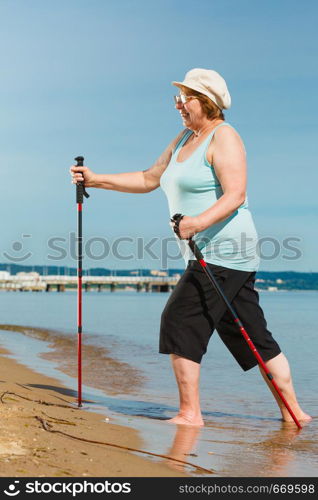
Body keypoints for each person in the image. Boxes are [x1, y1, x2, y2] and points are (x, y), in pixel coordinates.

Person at [70, 68, 311, 426]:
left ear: (207, 101)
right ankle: (297, 417)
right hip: (209, 254)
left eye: (186, 98)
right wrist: (97, 179)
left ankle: (190, 414)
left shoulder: (224, 137)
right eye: (177, 99)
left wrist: (197, 223)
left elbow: (236, 194)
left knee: (179, 319)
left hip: (225, 252)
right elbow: (150, 178)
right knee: (253, 336)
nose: (179, 105)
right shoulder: (184, 138)